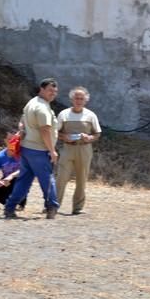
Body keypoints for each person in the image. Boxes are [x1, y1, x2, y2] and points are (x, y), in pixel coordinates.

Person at [4, 78, 60, 219]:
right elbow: (45, 130)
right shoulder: (42, 107)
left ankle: (10, 208)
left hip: (27, 148)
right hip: (39, 150)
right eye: (49, 90)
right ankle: (51, 208)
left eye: (55, 91)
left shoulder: (32, 103)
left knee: (23, 180)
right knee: (47, 180)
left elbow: (22, 123)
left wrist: (23, 131)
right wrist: (52, 150)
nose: (52, 94)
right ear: (41, 89)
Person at [56, 86, 101, 215]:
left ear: (85, 100)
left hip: (84, 149)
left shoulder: (91, 115)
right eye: (76, 98)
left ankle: (78, 208)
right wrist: (64, 137)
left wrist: (89, 137)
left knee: (82, 179)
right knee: (61, 178)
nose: (79, 100)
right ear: (72, 99)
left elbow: (97, 134)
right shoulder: (64, 114)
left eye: (81, 98)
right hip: (67, 149)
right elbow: (56, 132)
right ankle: (54, 205)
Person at [0, 133, 26, 210]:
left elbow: (25, 169)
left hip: (19, 179)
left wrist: (11, 176)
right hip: (6, 181)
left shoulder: (23, 153)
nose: (12, 143)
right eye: (10, 140)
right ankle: (9, 203)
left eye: (15, 140)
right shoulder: (0, 157)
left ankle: (20, 203)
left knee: (22, 180)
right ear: (5, 141)